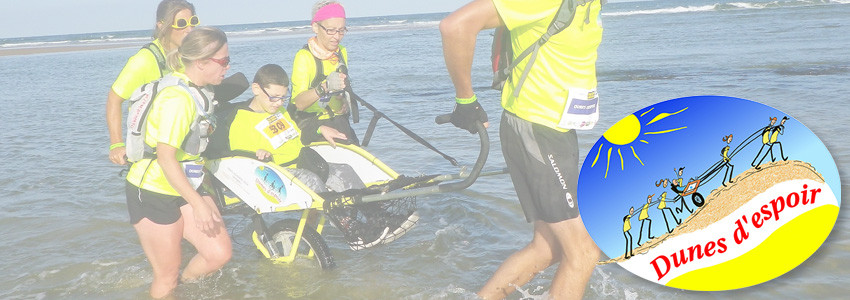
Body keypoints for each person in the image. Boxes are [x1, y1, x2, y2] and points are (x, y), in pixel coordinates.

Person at [440, 0, 603, 299]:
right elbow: (455, 26)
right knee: (583, 252)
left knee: (547, 248)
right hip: (535, 128)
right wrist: (465, 101)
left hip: (558, 129)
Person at [207, 64, 417, 249]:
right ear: (256, 89)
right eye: (274, 97)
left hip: (303, 162)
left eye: (283, 97)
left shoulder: (279, 111)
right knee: (313, 182)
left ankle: (377, 217)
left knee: (343, 170)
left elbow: (297, 133)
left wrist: (319, 128)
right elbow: (231, 154)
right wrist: (254, 154)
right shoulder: (239, 120)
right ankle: (353, 232)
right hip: (274, 173)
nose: (278, 103)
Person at [124, 27, 232, 299]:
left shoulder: (198, 89)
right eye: (223, 61)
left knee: (218, 253)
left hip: (184, 184)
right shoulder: (178, 99)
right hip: (152, 191)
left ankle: (183, 289)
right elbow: (165, 158)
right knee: (166, 275)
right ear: (201, 62)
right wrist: (198, 204)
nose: (227, 67)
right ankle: (171, 289)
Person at [107, 0, 199, 165]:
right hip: (153, 156)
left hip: (185, 151)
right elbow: (114, 98)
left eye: (193, 22)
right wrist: (116, 144)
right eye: (182, 24)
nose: (189, 29)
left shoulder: (191, 55)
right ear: (161, 25)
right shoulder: (145, 60)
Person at [289, 0, 358, 145]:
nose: (337, 37)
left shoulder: (342, 51)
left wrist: (344, 100)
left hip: (338, 120)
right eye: (331, 30)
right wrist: (325, 87)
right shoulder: (304, 57)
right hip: (312, 124)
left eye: (341, 30)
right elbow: (299, 103)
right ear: (315, 26)